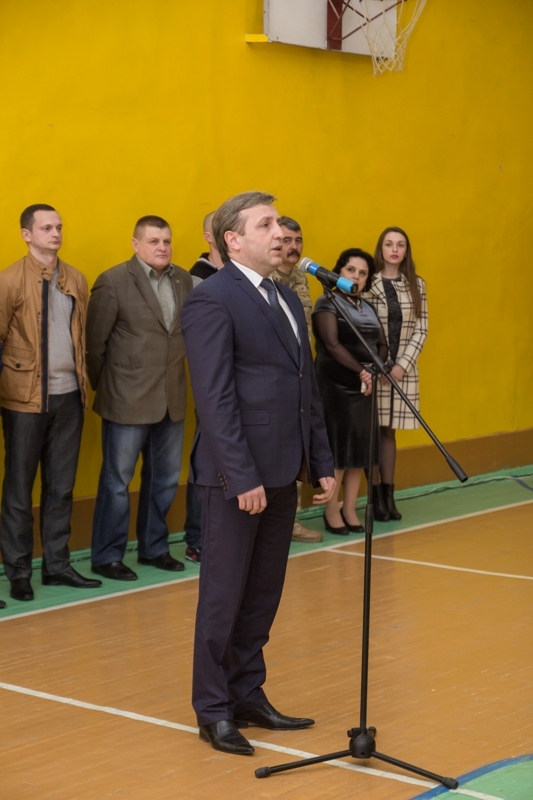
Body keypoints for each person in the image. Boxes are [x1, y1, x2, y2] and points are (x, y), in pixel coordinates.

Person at [181, 191, 335, 756]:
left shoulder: (287, 297)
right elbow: (215, 399)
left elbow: (304, 387)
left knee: (263, 594)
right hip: (235, 477)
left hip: (283, 469)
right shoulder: (211, 299)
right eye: (265, 224)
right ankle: (213, 709)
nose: (279, 233)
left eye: (279, 223)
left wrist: (320, 462)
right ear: (234, 239)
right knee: (223, 597)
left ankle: (247, 693)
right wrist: (241, 476)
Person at [0, 204, 102, 603]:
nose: (56, 233)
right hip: (23, 400)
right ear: (27, 234)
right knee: (19, 489)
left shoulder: (75, 278)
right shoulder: (9, 280)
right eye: (46, 228)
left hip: (69, 398)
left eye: (58, 226)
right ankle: (19, 572)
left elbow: (82, 338)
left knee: (61, 488)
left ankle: (57, 566)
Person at [86, 216, 193, 581]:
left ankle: (154, 548)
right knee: (117, 482)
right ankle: (107, 556)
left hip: (171, 397)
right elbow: (94, 345)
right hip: (125, 398)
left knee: (165, 479)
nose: (162, 247)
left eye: (166, 240)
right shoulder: (113, 281)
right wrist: (106, 387)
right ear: (135, 244)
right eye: (153, 241)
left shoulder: (183, 280)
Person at [313, 249, 388, 534]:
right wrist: (361, 371)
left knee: (360, 450)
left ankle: (350, 508)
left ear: (368, 280)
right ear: (338, 273)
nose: (356, 276)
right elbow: (332, 345)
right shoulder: (326, 302)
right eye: (350, 270)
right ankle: (331, 510)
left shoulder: (368, 307)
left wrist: (374, 371)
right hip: (336, 385)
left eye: (362, 273)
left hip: (364, 387)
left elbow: (382, 344)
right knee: (340, 449)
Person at [365, 227, 428, 520]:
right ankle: (375, 496)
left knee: (389, 431)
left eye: (400, 245)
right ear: (381, 248)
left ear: (406, 251)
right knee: (373, 432)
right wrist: (377, 364)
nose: (394, 249)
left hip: (402, 371)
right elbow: (364, 328)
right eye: (389, 244)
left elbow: (422, 328)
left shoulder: (417, 284)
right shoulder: (369, 283)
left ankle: (389, 496)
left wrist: (402, 364)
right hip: (375, 370)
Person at [272, 215, 322, 544]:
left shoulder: (302, 277)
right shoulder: (267, 278)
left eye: (298, 240)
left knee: (298, 449)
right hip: (276, 379)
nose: (293, 246)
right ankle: (279, 522)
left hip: (302, 376)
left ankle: (291, 520)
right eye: (287, 240)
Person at [182, 211, 224, 564]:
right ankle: (197, 537)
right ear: (209, 236)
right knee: (207, 462)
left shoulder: (242, 276)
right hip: (211, 386)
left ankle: (220, 535)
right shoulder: (196, 279)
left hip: (239, 387)